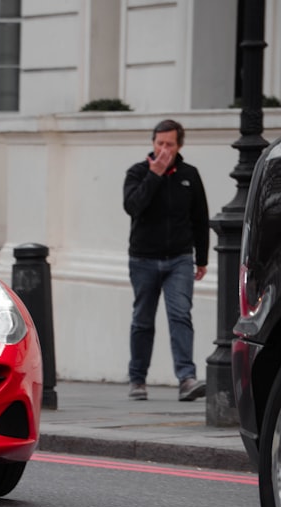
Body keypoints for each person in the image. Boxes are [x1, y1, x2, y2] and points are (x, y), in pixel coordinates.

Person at [123, 119, 209, 402]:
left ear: (179, 146)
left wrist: (202, 259)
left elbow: (199, 218)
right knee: (143, 320)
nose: (163, 149)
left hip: (179, 260)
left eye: (169, 144)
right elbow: (133, 206)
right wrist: (155, 175)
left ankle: (187, 379)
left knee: (180, 315)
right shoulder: (137, 172)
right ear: (153, 143)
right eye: (159, 143)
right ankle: (137, 380)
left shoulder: (189, 175)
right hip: (143, 259)